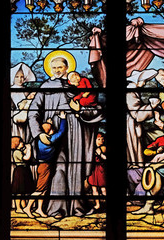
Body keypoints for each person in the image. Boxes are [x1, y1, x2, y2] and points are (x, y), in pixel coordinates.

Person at [28, 52, 103, 218]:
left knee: (76, 167)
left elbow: (97, 109)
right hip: (54, 130)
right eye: (53, 68)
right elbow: (33, 112)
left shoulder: (79, 85)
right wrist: (38, 133)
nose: (57, 70)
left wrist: (81, 110)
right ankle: (56, 207)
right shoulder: (46, 87)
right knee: (58, 167)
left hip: (77, 130)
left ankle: (77, 206)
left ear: (67, 68)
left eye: (60, 67)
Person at [23, 111, 67, 218]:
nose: (53, 130)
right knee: (39, 190)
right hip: (44, 166)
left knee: (44, 190)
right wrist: (63, 119)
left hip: (44, 165)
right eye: (51, 129)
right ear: (49, 132)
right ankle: (28, 208)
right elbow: (61, 132)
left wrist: (48, 122)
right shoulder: (50, 139)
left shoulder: (41, 139)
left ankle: (39, 209)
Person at [126, 69, 160, 168]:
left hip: (131, 123)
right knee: (134, 150)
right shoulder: (130, 93)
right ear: (137, 80)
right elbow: (137, 115)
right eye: (143, 80)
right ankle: (136, 170)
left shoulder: (133, 91)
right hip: (130, 125)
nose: (145, 83)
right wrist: (151, 106)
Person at [11, 136, 35, 214]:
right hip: (20, 171)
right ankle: (18, 208)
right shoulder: (16, 152)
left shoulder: (19, 151)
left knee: (23, 190)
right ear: (16, 144)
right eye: (21, 142)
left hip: (24, 171)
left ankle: (24, 207)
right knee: (19, 191)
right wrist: (29, 149)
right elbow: (26, 158)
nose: (22, 143)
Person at [87, 132, 107, 212]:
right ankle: (97, 204)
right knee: (94, 188)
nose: (101, 140)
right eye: (99, 139)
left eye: (102, 139)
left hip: (101, 169)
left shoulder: (104, 148)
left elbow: (105, 159)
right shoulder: (91, 149)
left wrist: (100, 154)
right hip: (93, 169)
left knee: (103, 189)